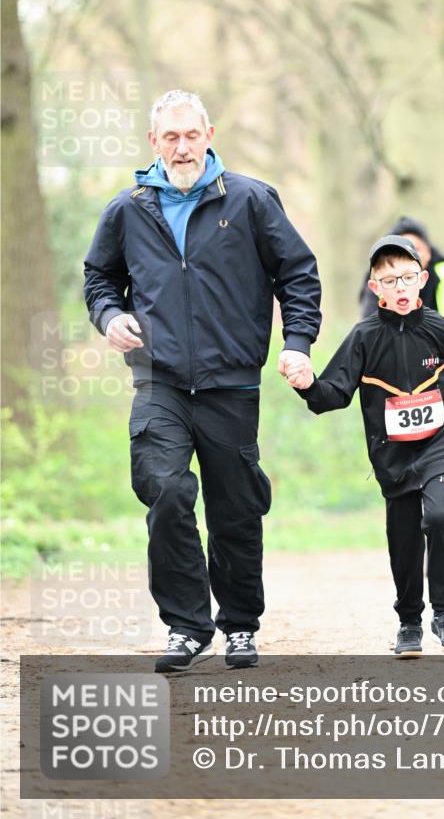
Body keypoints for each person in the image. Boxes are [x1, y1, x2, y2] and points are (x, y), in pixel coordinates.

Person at [84, 90, 321, 673]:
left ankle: (239, 626)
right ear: (153, 142)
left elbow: (298, 272)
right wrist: (110, 317)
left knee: (235, 507)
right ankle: (187, 626)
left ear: (209, 133)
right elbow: (99, 278)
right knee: (165, 491)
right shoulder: (128, 209)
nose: (182, 146)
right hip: (158, 380)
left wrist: (296, 343)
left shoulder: (250, 200)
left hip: (231, 382)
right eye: (171, 137)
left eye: (191, 135)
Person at [284, 235, 444, 657]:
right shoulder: (363, 337)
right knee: (405, 537)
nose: (400, 287)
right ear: (375, 288)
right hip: (392, 456)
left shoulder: (439, 327)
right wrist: (307, 385)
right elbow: (332, 394)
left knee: (440, 517)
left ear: (422, 280)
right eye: (389, 281)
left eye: (408, 278)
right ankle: (410, 621)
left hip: (441, 442)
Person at [360, 217, 444, 492]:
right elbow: (366, 320)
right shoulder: (380, 279)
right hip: (401, 370)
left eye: (418, 250)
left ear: (429, 254)